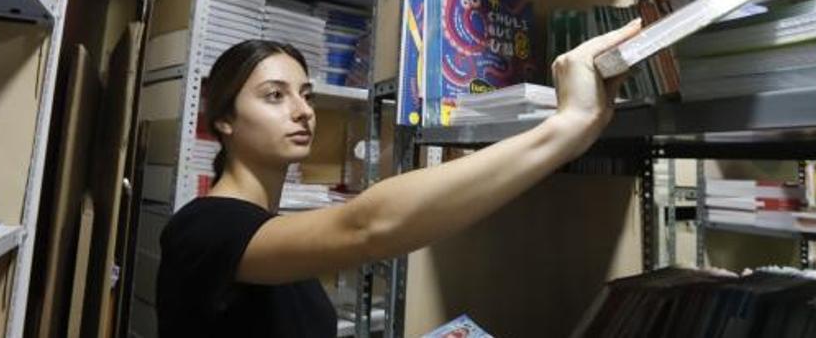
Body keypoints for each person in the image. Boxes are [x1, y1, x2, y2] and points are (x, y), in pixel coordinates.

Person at [156, 20, 642, 337]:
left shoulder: (265, 233)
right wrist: (564, 128)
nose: (304, 111)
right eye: (274, 96)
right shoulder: (202, 229)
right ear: (223, 119)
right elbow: (366, 227)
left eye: (305, 94)